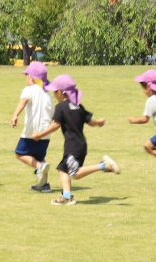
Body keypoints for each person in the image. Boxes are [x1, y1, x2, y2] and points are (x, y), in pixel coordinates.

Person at [31, 74, 119, 206]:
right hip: (80, 145)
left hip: (73, 146)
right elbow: (91, 122)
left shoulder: (60, 107)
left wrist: (40, 134)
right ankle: (66, 196)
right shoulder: (78, 106)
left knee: (73, 173)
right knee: (64, 170)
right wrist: (99, 122)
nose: (54, 94)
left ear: (62, 92)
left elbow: (56, 125)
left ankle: (103, 165)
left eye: (55, 91)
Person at [10, 61, 55, 192]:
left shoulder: (28, 90)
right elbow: (51, 113)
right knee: (40, 157)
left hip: (31, 132)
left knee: (19, 154)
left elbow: (22, 102)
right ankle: (43, 185)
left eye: (26, 75)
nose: (25, 78)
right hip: (46, 134)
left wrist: (15, 115)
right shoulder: (47, 94)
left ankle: (39, 166)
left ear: (32, 78)